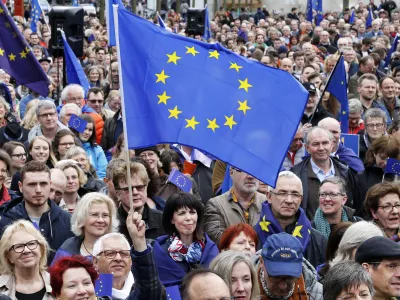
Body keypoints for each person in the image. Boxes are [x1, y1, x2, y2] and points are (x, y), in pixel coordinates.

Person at [50, 211, 163, 300]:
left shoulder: (140, 286)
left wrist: (139, 241)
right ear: (95, 262)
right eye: (110, 253)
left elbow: (149, 290)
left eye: (124, 253)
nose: (118, 258)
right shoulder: (100, 291)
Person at [0, 161, 74, 264]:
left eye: (43, 184)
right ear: (20, 187)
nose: (38, 190)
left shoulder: (67, 221)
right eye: (32, 184)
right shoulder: (7, 222)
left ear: (50, 184)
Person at [254, 171, 326, 268]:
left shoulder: (318, 241)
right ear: (269, 196)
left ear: (301, 199)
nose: (289, 200)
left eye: (295, 194)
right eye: (282, 193)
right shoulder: (252, 237)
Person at [291, 127, 360, 219]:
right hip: (308, 231)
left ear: (332, 145)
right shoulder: (296, 174)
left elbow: (356, 205)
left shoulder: (346, 172)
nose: (321, 148)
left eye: (325, 143)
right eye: (315, 144)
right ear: (307, 148)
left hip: (341, 230)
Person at [153, 192, 219, 287]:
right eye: (182, 213)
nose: (188, 218)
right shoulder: (161, 252)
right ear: (172, 219)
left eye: (192, 212)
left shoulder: (210, 249)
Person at [205, 166, 266, 244]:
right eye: (244, 170)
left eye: (255, 171)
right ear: (231, 172)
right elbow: (220, 242)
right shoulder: (216, 205)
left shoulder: (268, 203)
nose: (250, 176)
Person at [255, 232, 323, 300]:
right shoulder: (246, 290)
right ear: (262, 263)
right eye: (276, 277)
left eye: (290, 277)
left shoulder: (316, 293)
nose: (282, 286)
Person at [54, 192, 118, 262]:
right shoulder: (68, 248)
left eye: (105, 215)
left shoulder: (119, 248)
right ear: (82, 218)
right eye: (94, 215)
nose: (100, 220)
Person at [112, 160, 165, 245]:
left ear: (146, 188)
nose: (135, 192)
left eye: (140, 187)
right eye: (128, 189)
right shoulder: (112, 222)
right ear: (118, 194)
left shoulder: (163, 220)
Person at [0, 220, 53, 299]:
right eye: (18, 246)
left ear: (41, 249)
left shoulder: (58, 283)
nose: (26, 250)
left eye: (31, 244)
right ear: (9, 256)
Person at [358, 136, 400, 216]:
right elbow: (359, 207)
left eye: (391, 158)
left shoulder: (398, 174)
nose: (386, 163)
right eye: (383, 158)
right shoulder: (362, 176)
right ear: (375, 153)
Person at [70, 114, 107, 179]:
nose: (87, 132)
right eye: (84, 128)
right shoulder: (69, 147)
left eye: (90, 130)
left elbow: (103, 173)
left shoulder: (97, 149)